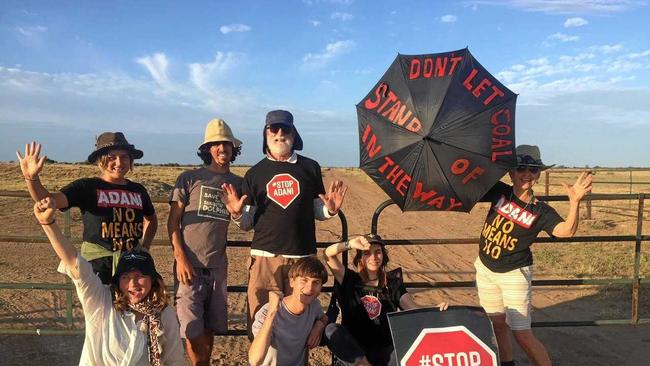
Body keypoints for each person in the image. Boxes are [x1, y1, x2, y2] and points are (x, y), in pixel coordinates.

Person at [220, 109, 347, 338]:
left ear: (293, 133)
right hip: (265, 260)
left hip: (303, 260)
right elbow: (247, 223)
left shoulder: (310, 168)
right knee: (261, 325)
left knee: (300, 326)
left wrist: (330, 209)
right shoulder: (255, 174)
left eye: (285, 128)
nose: (280, 134)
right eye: (274, 128)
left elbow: (316, 210)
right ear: (265, 134)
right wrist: (237, 214)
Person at [475, 145, 592, 366]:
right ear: (511, 172)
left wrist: (575, 203)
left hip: (513, 274)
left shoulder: (540, 210)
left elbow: (565, 231)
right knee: (497, 324)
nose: (527, 174)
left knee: (522, 334)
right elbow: (473, 181)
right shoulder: (499, 191)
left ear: (538, 174)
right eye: (520, 168)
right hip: (485, 268)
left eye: (533, 169)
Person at [33, 197, 184, 365]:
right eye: (125, 277)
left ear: (153, 279)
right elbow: (75, 263)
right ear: (117, 281)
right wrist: (48, 224)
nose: (133, 284)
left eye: (140, 276)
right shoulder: (101, 301)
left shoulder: (164, 312)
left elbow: (174, 360)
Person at [16, 134, 157, 284]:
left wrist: (145, 248)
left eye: (124, 157)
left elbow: (151, 219)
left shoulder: (138, 190)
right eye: (111, 157)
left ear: (131, 160)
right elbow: (48, 200)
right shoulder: (87, 187)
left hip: (132, 265)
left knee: (134, 305)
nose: (118, 162)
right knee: (99, 307)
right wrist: (31, 178)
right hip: (97, 266)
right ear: (100, 160)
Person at [167, 118, 243, 366]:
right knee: (191, 328)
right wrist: (181, 259)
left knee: (210, 327)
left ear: (234, 149)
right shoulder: (189, 178)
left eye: (227, 144)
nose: (223, 149)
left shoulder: (239, 183)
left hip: (218, 267)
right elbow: (173, 221)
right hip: (189, 265)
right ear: (207, 149)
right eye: (217, 144)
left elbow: (247, 218)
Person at [324, 234, 448, 366]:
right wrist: (350, 244)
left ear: (384, 256)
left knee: (409, 348)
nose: (373, 257)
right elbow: (327, 255)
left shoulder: (392, 282)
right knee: (331, 330)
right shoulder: (349, 279)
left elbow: (412, 308)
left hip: (385, 352)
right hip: (356, 353)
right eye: (367, 253)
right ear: (360, 258)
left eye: (378, 252)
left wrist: (435, 309)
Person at [248, 256, 329, 366]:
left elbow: (323, 317)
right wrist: (272, 313)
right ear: (292, 282)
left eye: (316, 282)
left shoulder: (314, 306)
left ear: (321, 287)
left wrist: (318, 326)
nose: (310, 288)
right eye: (304, 280)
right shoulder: (267, 311)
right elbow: (254, 360)